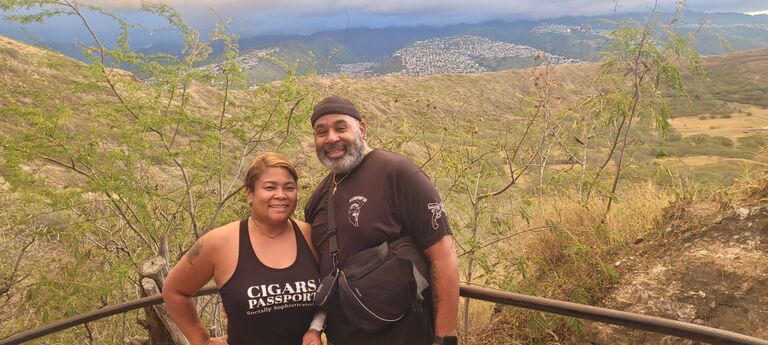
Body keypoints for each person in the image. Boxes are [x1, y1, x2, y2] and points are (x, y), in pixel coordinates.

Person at [304, 96, 460, 345]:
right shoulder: (318, 197)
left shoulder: (398, 173)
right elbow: (328, 272)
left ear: (362, 129)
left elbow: (444, 255)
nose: (331, 138)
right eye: (321, 132)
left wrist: (445, 339)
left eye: (340, 127)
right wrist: (315, 327)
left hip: (404, 335)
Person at [163, 153, 324, 345]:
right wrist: (201, 341)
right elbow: (174, 291)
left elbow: (335, 291)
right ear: (249, 193)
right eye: (270, 187)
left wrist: (317, 330)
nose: (281, 195)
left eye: (289, 188)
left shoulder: (313, 237)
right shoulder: (219, 242)